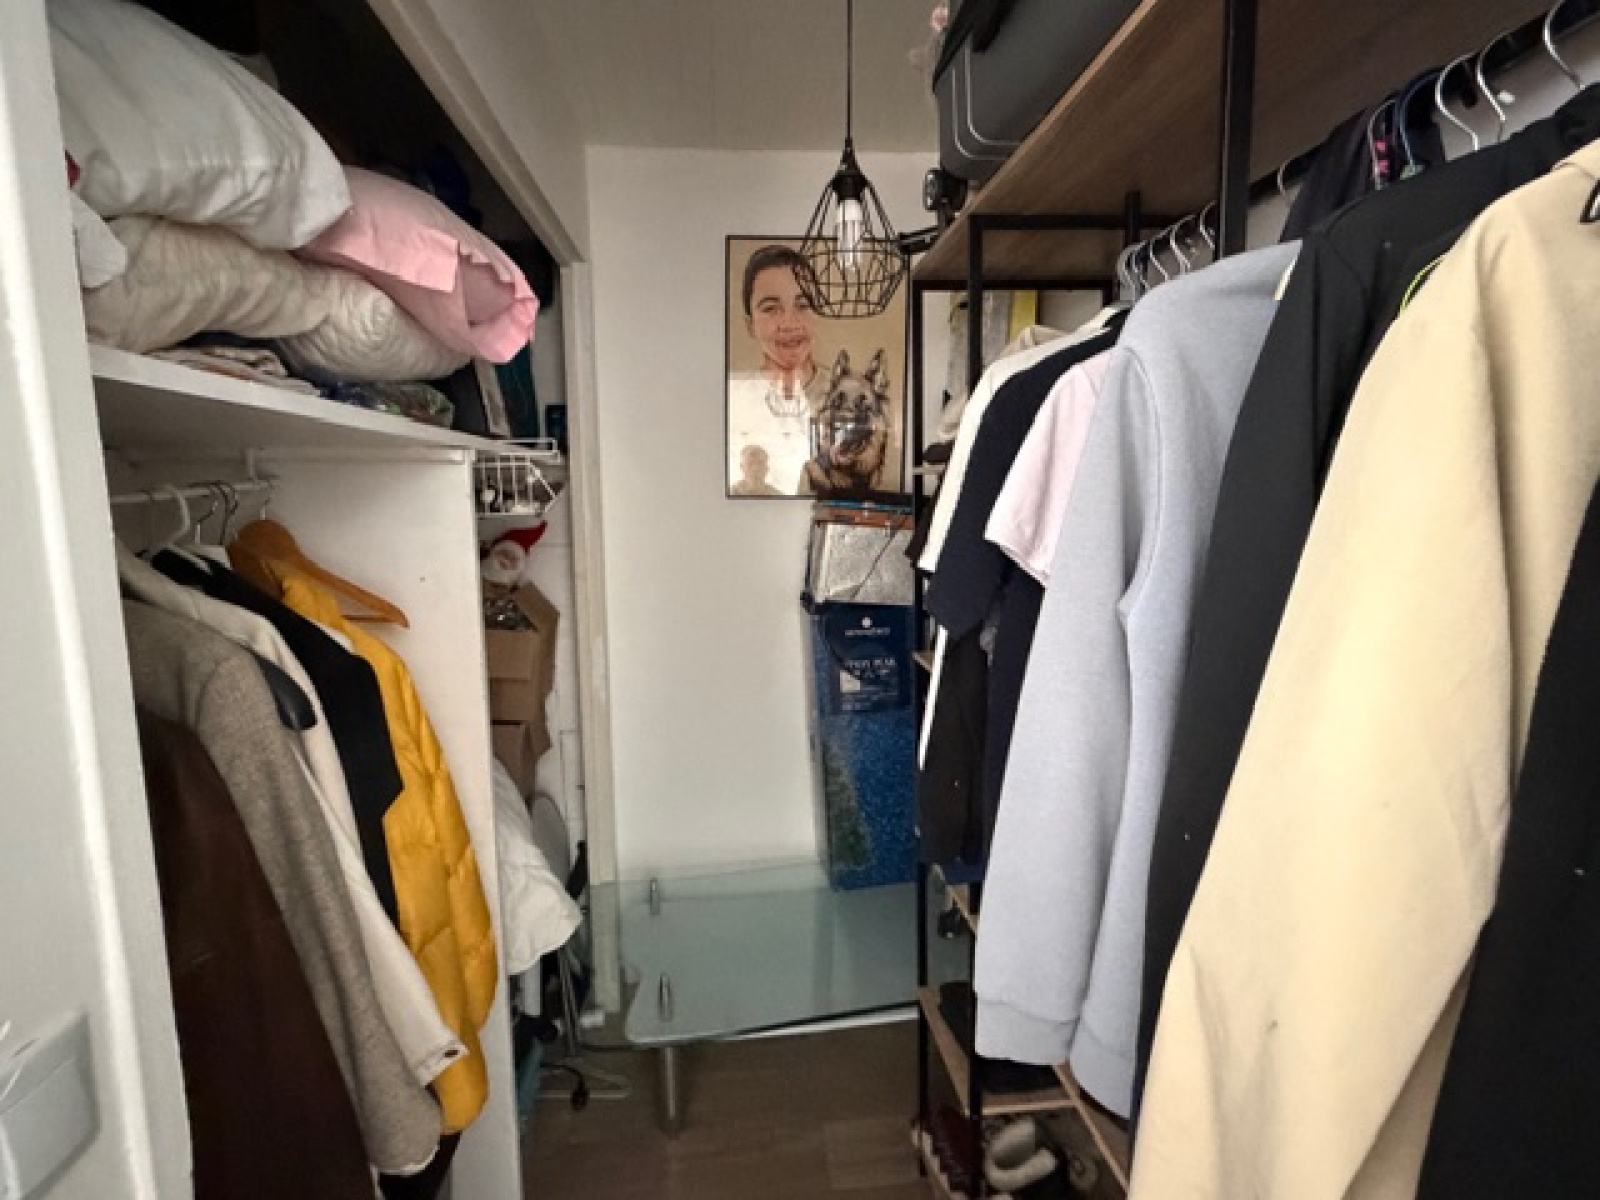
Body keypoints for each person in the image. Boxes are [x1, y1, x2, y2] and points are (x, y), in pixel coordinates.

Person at [727, 245, 829, 496]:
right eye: (771, 308)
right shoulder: (735, 397)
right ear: (750, 325)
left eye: (803, 305)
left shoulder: (844, 393)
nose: (789, 323)